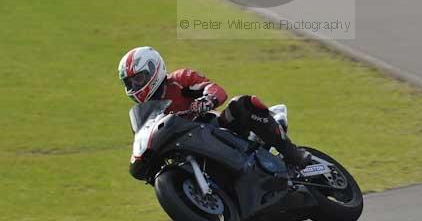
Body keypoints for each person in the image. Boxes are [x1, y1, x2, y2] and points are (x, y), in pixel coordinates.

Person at [118, 46, 312, 168]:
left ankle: (292, 153)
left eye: (139, 79)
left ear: (154, 69)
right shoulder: (147, 112)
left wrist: (207, 100)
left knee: (241, 105)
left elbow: (216, 90)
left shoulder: (179, 80)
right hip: (185, 148)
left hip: (215, 128)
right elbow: (144, 137)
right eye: (130, 83)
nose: (135, 87)